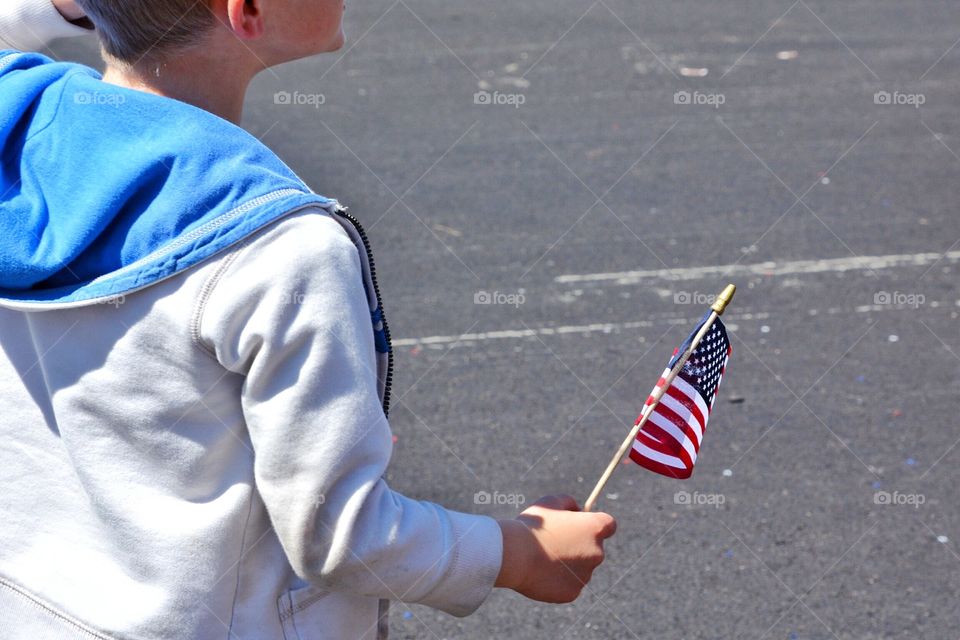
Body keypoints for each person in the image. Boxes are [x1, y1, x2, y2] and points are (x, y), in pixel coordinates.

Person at [0, 2, 617, 639]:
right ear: (248, 11)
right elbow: (342, 534)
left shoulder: (14, 123)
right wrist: (516, 553)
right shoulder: (285, 250)